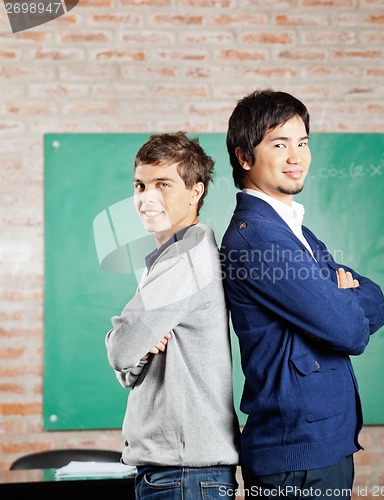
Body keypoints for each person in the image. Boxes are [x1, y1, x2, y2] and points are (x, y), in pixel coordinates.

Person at [220, 90, 384, 499]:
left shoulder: (294, 230)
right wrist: (339, 297)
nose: (297, 156)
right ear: (245, 157)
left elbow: (377, 300)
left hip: (319, 446)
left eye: (303, 142)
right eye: (280, 144)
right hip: (295, 456)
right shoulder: (260, 239)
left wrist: (338, 298)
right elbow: (350, 330)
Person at [105, 132, 240, 499]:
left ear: (195, 191)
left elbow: (121, 349)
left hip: (184, 475)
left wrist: (131, 345)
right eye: (140, 184)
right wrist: (139, 349)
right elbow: (130, 364)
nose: (147, 197)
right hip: (178, 472)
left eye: (163, 184)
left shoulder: (189, 257)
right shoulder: (173, 254)